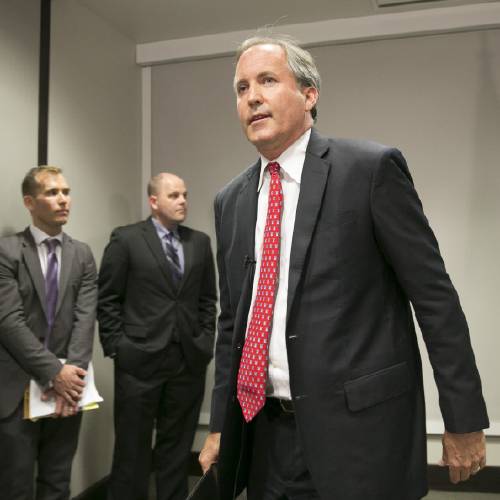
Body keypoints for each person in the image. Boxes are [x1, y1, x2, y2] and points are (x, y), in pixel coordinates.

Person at [199, 35, 489, 500]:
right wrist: (219, 426)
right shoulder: (230, 201)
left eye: (268, 80)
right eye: (241, 88)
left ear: (309, 94)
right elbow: (232, 323)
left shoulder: (370, 170)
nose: (251, 96)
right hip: (266, 441)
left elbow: (434, 299)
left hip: (361, 438)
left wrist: (464, 419)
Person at [98, 173, 217, 500]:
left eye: (185, 195)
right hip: (138, 363)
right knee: (131, 453)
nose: (182, 201)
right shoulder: (126, 240)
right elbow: (108, 298)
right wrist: (118, 348)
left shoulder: (200, 242)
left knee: (176, 452)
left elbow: (208, 300)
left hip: (187, 362)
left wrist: (205, 341)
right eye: (174, 195)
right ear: (154, 201)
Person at [0, 166, 97, 500]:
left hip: (68, 390)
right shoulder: (7, 251)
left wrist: (72, 379)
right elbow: (8, 322)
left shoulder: (82, 253)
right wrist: (54, 373)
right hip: (16, 388)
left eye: (66, 192)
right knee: (16, 487)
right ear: (29, 201)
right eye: (52, 193)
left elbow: (86, 319)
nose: (63, 200)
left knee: (58, 484)